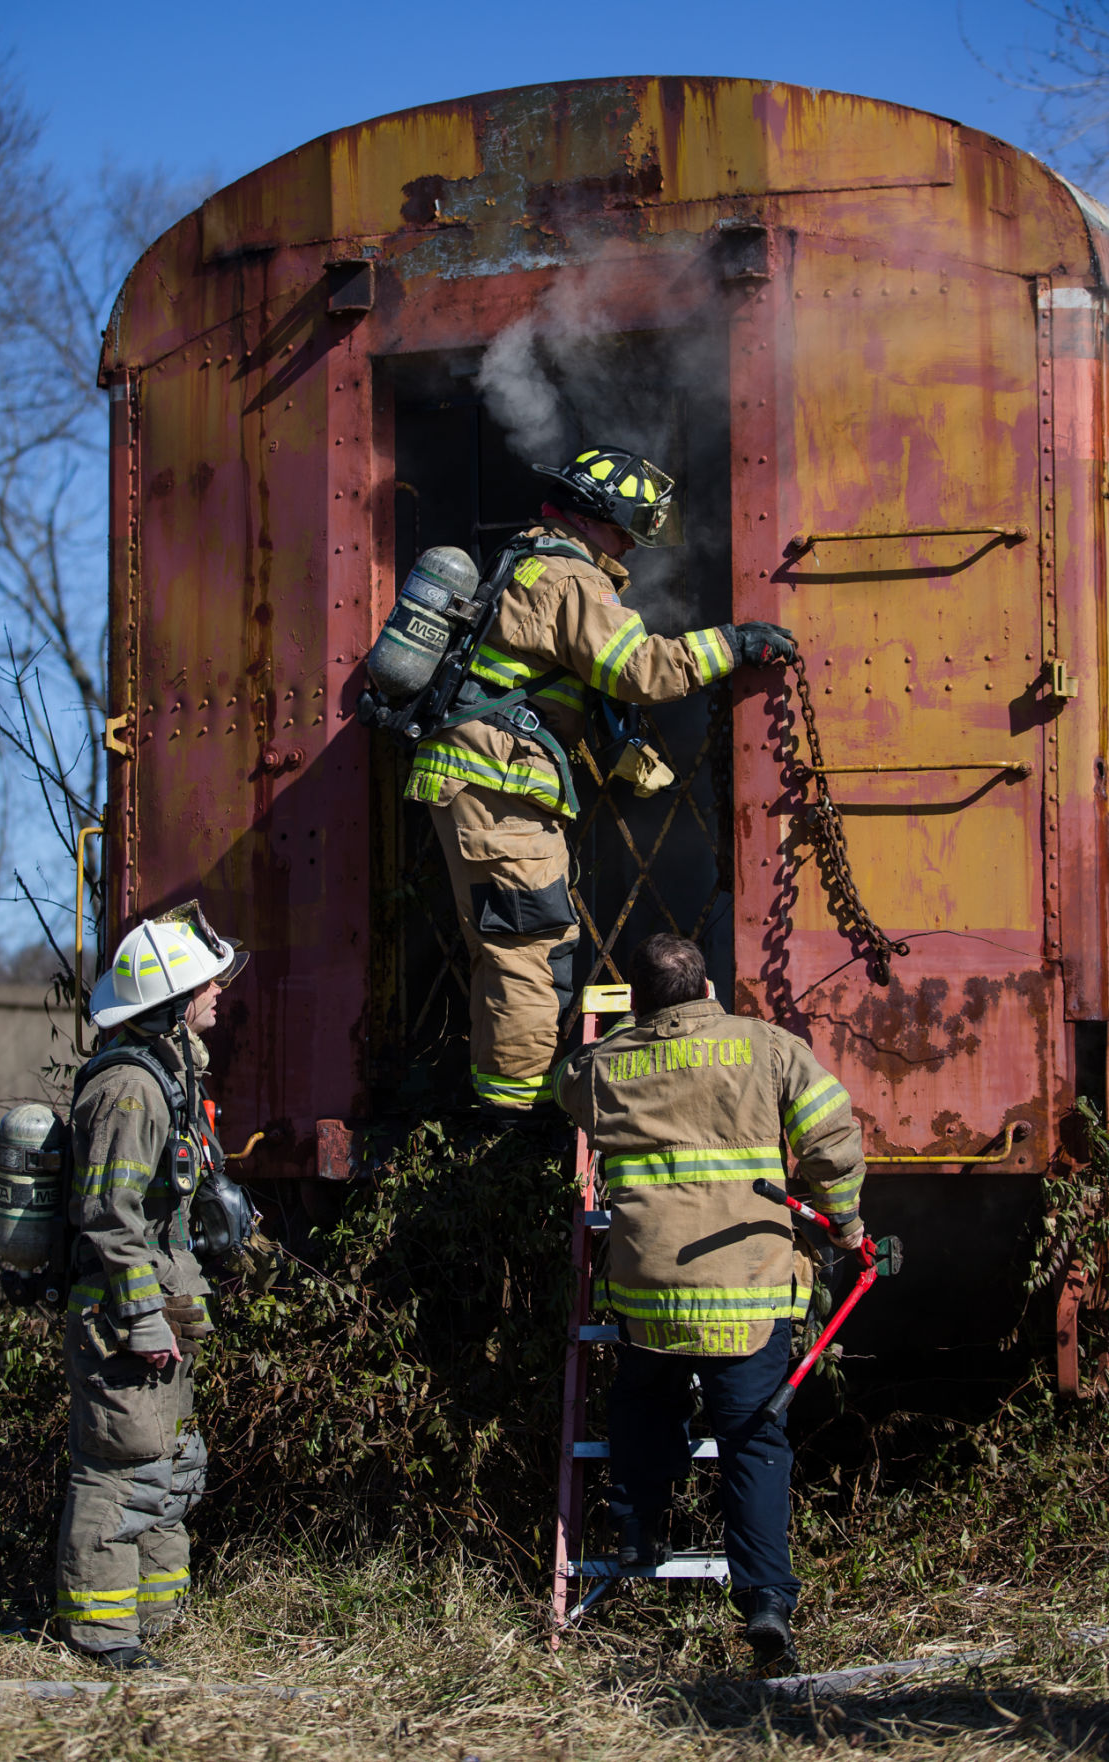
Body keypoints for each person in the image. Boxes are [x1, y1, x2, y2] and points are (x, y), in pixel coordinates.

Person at [403, 445, 795, 1115]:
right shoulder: (566, 577)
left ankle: (508, 1103)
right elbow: (638, 667)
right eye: (626, 531)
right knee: (528, 952)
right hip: (498, 791)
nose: (631, 547)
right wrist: (733, 644)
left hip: (490, 786)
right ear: (597, 519)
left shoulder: (531, 564)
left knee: (514, 948)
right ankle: (509, 1124)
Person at [552, 933, 866, 1674]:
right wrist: (845, 1226)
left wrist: (635, 1033)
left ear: (639, 999)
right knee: (752, 1442)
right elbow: (833, 1140)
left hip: (648, 1288)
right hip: (749, 1288)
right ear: (706, 986)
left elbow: (566, 1085)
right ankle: (764, 1603)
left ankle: (635, 1536)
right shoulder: (768, 1047)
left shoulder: (606, 1065)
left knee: (640, 1405)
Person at [55, 901, 249, 1670]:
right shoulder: (130, 1090)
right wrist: (140, 1319)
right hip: (123, 1309)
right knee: (120, 1464)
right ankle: (103, 1637)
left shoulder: (165, 1073)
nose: (219, 994)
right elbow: (109, 1213)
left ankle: (159, 1623)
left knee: (168, 1461)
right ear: (171, 1004)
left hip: (165, 1299)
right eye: (206, 985)